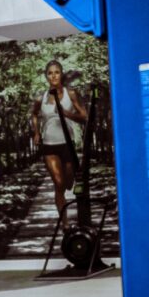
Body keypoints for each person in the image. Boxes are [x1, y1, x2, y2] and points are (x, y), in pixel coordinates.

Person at [30, 60, 89, 221]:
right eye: (50, 73)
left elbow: (84, 117)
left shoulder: (71, 94)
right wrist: (36, 133)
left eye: (56, 72)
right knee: (59, 184)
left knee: (69, 183)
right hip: (49, 146)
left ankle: (67, 206)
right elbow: (34, 114)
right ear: (46, 76)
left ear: (61, 74)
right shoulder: (40, 97)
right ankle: (65, 224)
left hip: (67, 145)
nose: (53, 75)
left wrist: (66, 113)